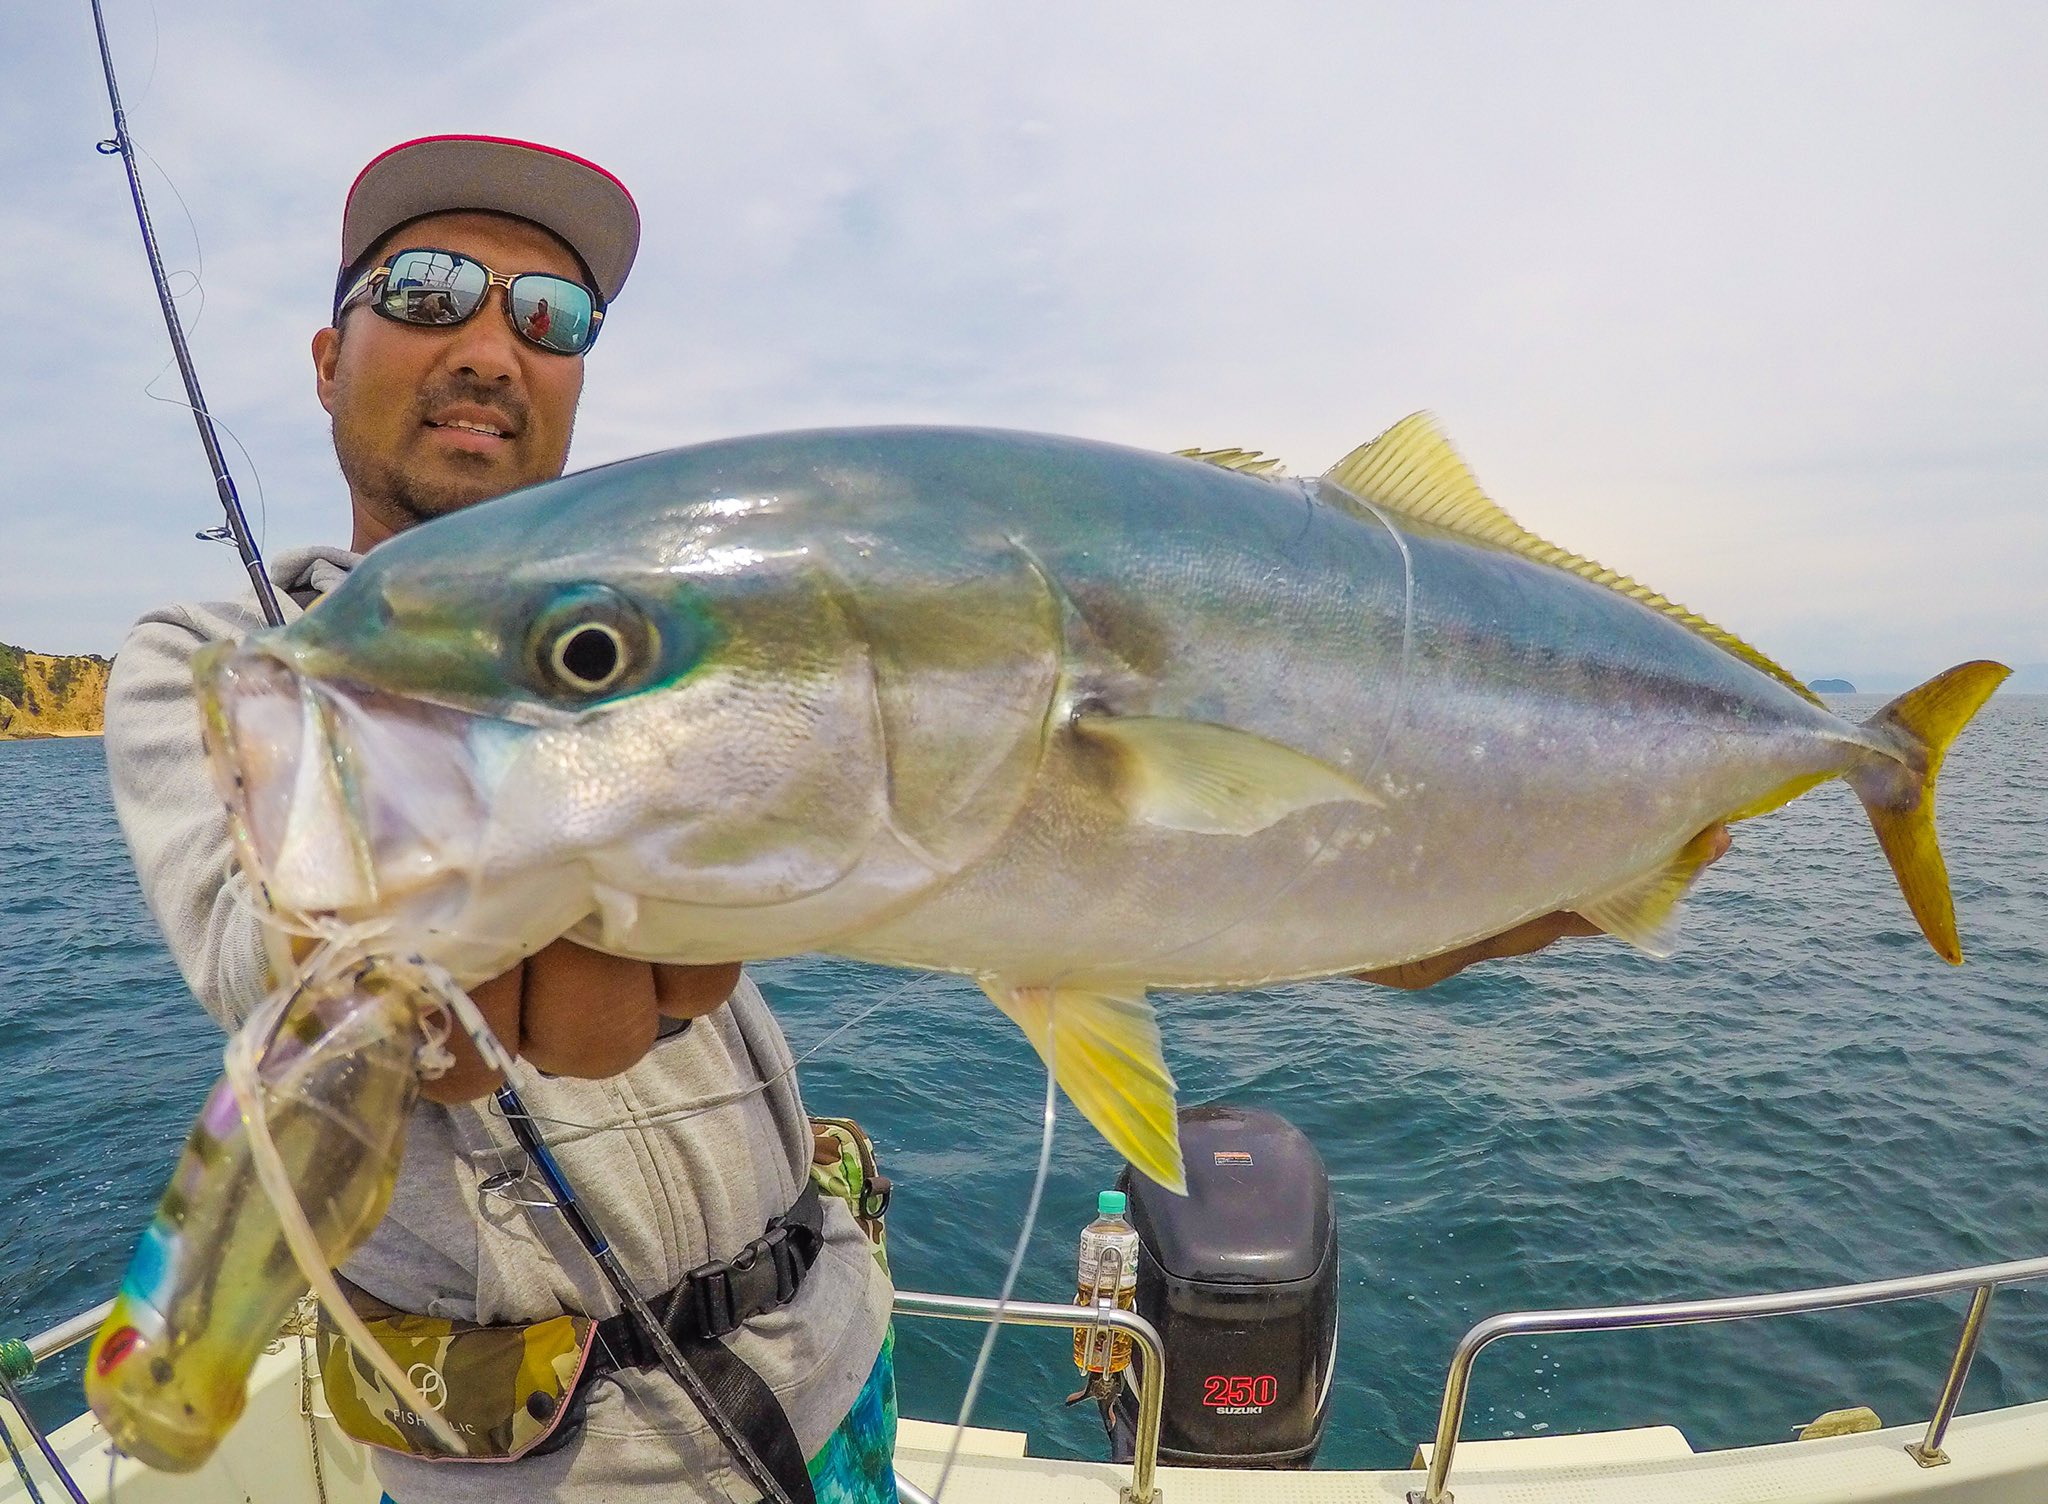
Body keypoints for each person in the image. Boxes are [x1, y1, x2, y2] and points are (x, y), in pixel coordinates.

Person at [104, 135, 895, 1504]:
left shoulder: (674, 617)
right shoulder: (220, 659)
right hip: (557, 1467)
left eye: (550, 317)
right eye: (423, 291)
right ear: (324, 357)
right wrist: (375, 964)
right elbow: (257, 957)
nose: (489, 346)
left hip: (833, 1359)